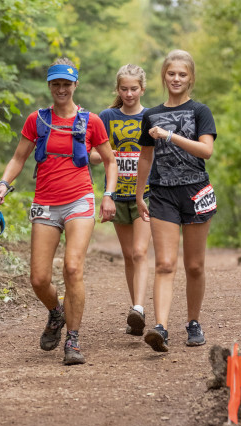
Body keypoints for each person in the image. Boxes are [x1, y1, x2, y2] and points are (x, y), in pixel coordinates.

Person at [0, 58, 117, 365]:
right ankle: (56, 313)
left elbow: (110, 161)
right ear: (50, 86)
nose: (61, 89)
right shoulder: (37, 119)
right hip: (46, 203)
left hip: (79, 200)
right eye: (56, 84)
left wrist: (109, 195)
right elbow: (18, 158)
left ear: (75, 85)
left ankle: (73, 341)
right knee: (38, 279)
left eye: (67, 84)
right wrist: (3, 183)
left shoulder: (91, 121)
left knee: (73, 268)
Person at [136, 49, 217, 352]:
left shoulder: (200, 111)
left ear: (191, 78)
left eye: (182, 74)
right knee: (165, 263)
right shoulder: (151, 115)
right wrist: (138, 193)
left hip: (196, 192)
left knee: (194, 266)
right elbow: (145, 157)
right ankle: (161, 328)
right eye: (171, 73)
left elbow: (206, 151)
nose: (176, 78)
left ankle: (193, 322)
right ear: (164, 76)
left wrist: (169, 136)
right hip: (162, 193)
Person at [90, 64, 151, 336]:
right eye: (124, 89)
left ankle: (139, 308)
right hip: (116, 195)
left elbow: (159, 153)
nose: (129, 94)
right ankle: (134, 311)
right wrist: (110, 155)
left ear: (142, 89)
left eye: (134, 89)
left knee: (140, 252)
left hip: (147, 195)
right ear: (118, 89)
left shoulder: (151, 116)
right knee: (128, 256)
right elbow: (91, 153)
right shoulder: (107, 116)